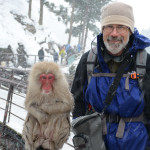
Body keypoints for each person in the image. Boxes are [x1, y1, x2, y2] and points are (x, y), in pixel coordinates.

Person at [71, 2, 150, 150]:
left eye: (121, 27)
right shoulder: (89, 61)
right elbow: (77, 102)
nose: (114, 33)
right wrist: (81, 136)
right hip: (94, 143)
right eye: (109, 26)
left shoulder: (144, 63)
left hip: (135, 145)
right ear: (102, 30)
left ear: (130, 31)